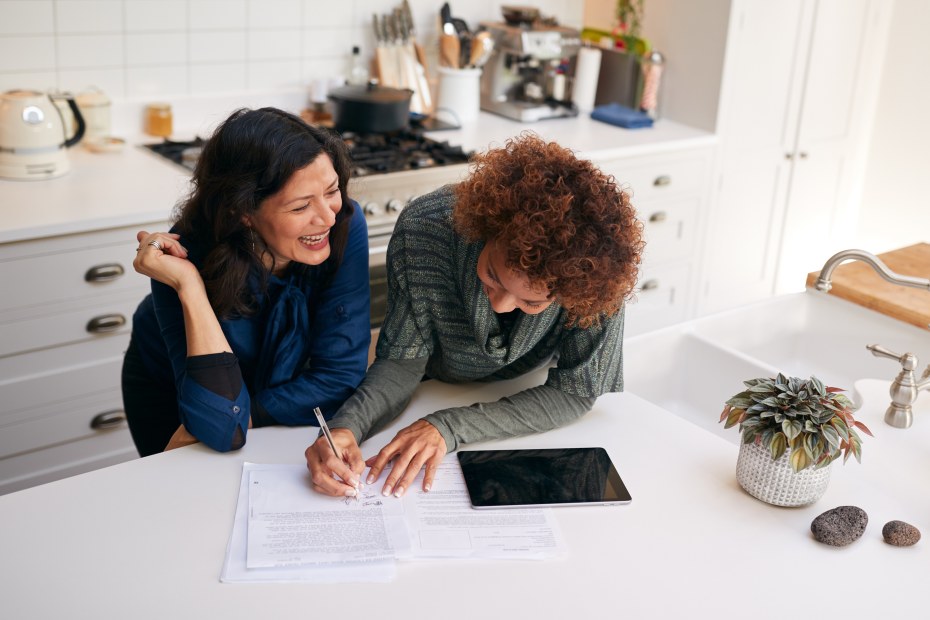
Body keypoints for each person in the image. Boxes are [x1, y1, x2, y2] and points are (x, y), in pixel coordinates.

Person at [305, 132, 644, 498]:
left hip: (519, 391)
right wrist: (347, 427)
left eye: (531, 303)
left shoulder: (591, 275)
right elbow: (402, 363)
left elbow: (576, 392)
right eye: (492, 277)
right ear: (486, 228)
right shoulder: (425, 230)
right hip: (432, 384)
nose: (500, 306)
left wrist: (450, 426)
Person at [122, 107, 371, 457]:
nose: (328, 217)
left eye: (331, 191)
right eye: (301, 207)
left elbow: (340, 377)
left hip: (266, 398)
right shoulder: (182, 256)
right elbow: (219, 426)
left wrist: (242, 416)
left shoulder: (345, 222)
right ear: (244, 212)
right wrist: (190, 287)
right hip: (180, 389)